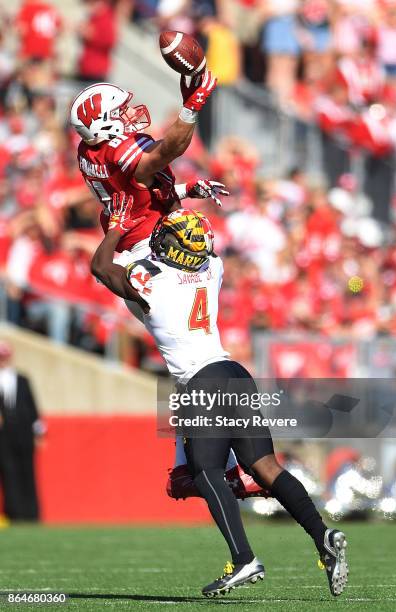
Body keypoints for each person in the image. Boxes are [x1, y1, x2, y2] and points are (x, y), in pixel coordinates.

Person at [90, 195, 349, 598]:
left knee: (204, 473)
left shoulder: (151, 280)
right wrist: (182, 193)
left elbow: (101, 267)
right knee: (265, 466)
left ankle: (244, 558)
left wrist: (117, 227)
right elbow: (181, 247)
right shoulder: (213, 268)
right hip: (234, 373)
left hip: (200, 382)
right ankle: (322, 535)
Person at [69, 72, 267, 500]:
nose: (129, 113)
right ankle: (220, 467)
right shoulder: (118, 148)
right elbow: (161, 154)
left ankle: (185, 467)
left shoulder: (90, 148)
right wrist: (193, 104)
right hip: (140, 254)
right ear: (104, 124)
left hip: (138, 243)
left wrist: (184, 188)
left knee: (189, 363)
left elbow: (138, 190)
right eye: (118, 112)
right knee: (194, 357)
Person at [0, 341, 45, 521]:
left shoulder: (21, 379)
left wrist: (39, 432)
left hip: (23, 430)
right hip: (3, 434)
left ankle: (31, 513)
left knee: (28, 471)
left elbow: (33, 407)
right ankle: (15, 513)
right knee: (8, 472)